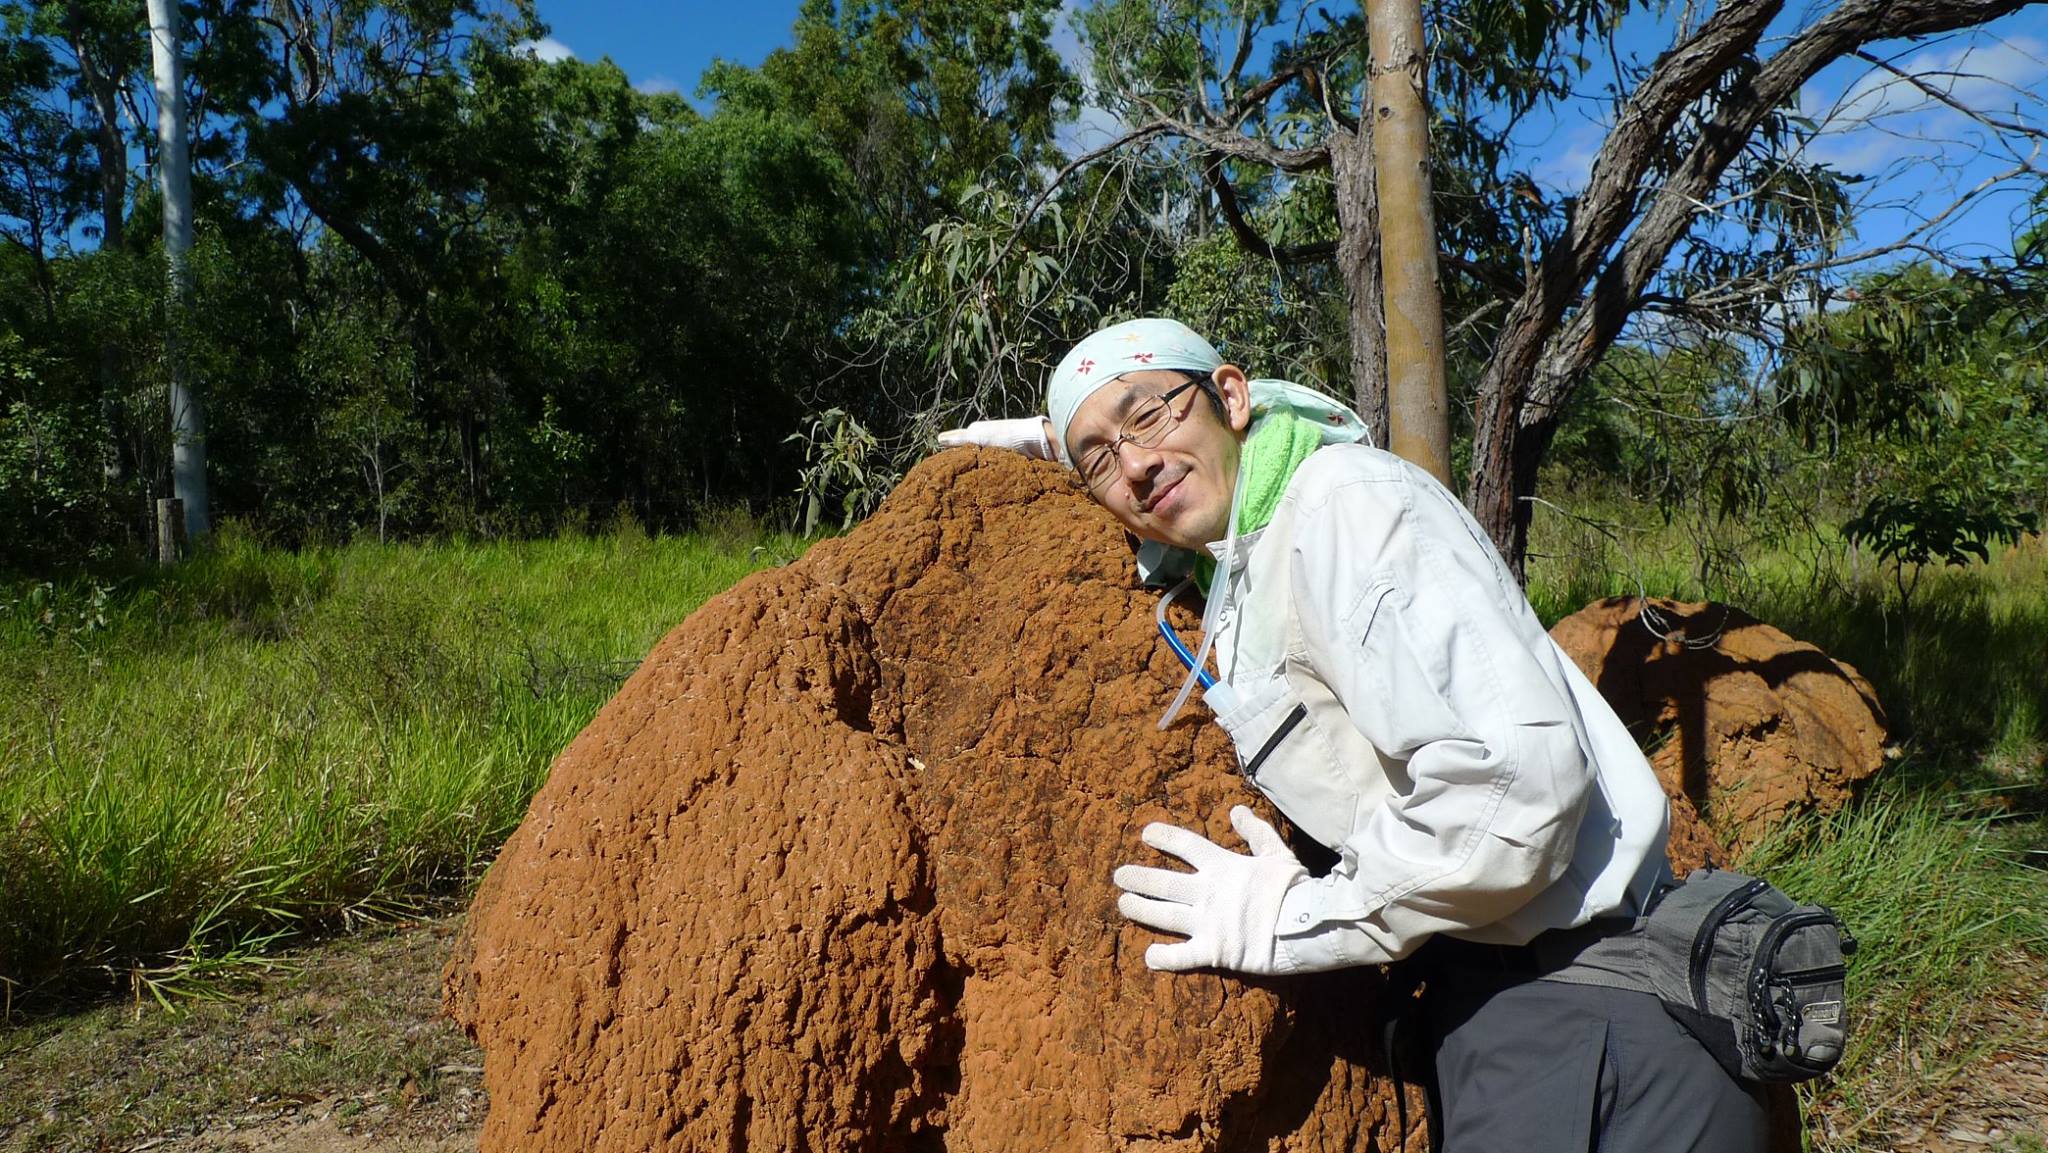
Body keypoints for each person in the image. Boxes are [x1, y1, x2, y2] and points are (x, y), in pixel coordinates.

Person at [938, 318, 1770, 1151]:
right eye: (1099, 456)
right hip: (1501, 1001)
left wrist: (1298, 917)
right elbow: (1142, 455)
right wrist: (1058, 442)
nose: (1134, 464)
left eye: (1149, 416)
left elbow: (1516, 796)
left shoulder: (1348, 510)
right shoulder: (1246, 543)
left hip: (1591, 1011)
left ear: (1231, 396)